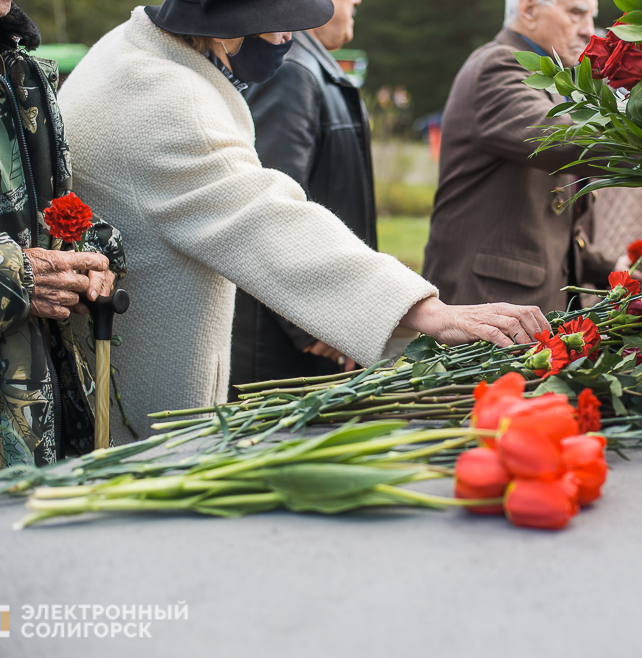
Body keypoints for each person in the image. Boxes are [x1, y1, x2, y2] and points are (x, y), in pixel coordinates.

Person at [57, 0, 550, 445]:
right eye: (278, 24)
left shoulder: (127, 48)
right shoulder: (168, 99)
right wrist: (425, 311)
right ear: (231, 25)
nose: (289, 39)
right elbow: (268, 218)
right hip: (137, 395)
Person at [0, 1, 126, 483]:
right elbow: (15, 260)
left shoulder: (15, 62)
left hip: (38, 445)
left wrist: (94, 251)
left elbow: (28, 216)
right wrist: (15, 277)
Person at [422, 0, 615, 312]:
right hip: (484, 305)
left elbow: (548, 225)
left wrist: (609, 266)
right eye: (576, 13)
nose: (588, 31)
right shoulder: (496, 65)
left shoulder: (549, 77)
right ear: (528, 10)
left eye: (592, 16)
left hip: (519, 307)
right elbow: (563, 141)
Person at [230, 0, 368, 390]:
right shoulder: (289, 69)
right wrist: (312, 323)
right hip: (283, 349)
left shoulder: (309, 65)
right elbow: (268, 208)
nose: (357, 1)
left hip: (313, 327)